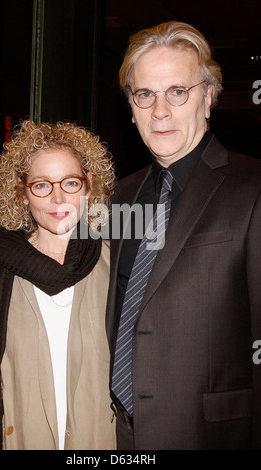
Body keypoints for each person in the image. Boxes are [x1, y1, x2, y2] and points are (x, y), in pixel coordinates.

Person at [106, 21, 261, 449]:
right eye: (145, 95)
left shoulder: (252, 187)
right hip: (116, 436)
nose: (160, 111)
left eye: (178, 92)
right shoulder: (119, 196)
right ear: (132, 106)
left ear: (208, 98)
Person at [0, 120, 116, 450]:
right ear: (22, 191)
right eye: (42, 185)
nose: (58, 197)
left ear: (89, 185)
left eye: (70, 182)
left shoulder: (117, 266)